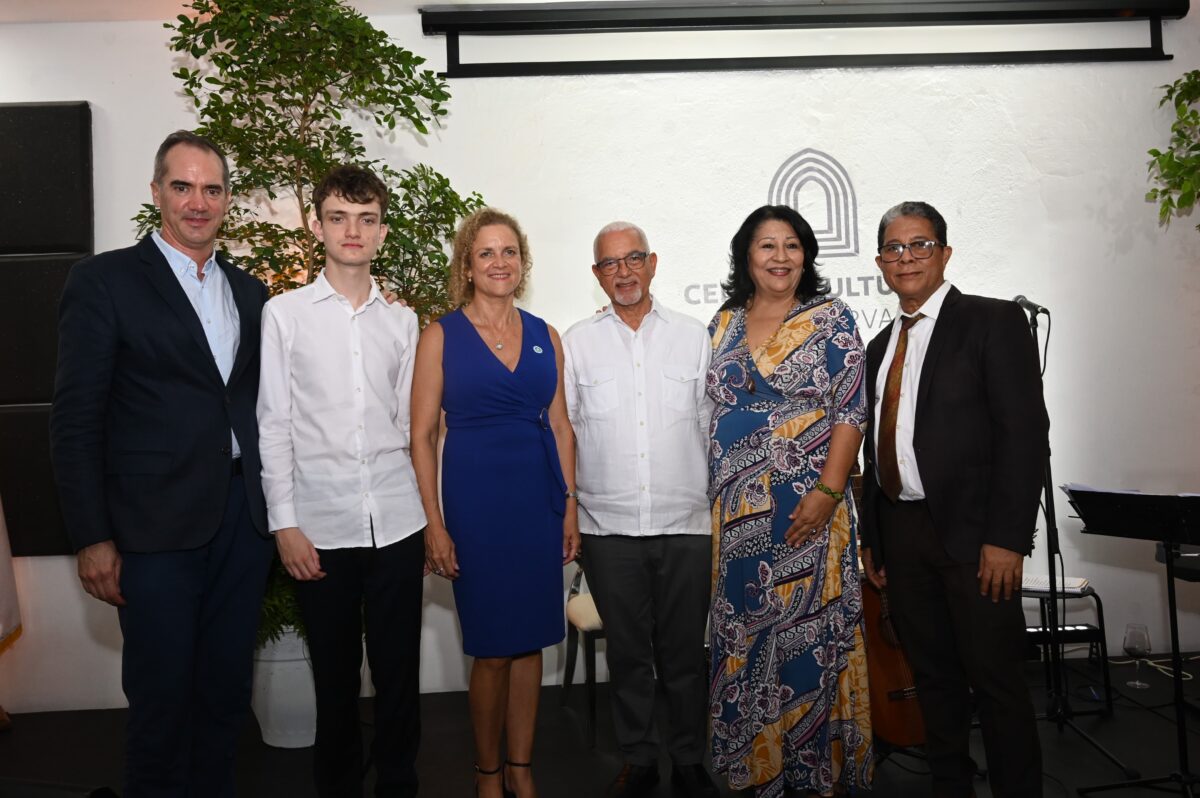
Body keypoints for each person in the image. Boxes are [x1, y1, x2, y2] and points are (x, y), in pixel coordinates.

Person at [49, 130, 273, 797]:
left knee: (226, 695)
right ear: (156, 193)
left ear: (229, 199)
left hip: (241, 523)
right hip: (150, 531)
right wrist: (91, 535)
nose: (196, 202)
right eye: (182, 186)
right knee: (161, 700)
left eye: (211, 188)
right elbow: (74, 418)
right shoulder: (103, 281)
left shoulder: (252, 292)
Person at [858, 201, 1047, 798]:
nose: (905, 257)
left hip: (976, 539)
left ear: (944, 252)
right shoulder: (878, 345)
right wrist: (874, 539)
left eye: (918, 245)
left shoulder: (992, 322)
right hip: (903, 535)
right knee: (933, 682)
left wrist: (1008, 539)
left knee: (996, 685)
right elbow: (873, 449)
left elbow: (1024, 436)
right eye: (893, 248)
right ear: (880, 263)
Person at [257, 165, 426, 797]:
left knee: (399, 676)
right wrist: (285, 525)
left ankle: (399, 785)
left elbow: (415, 431)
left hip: (398, 522)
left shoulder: (402, 323)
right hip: (319, 527)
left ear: (382, 231)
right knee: (333, 680)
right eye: (338, 217)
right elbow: (272, 424)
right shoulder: (285, 315)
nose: (352, 231)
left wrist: (431, 520)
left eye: (366, 219)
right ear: (317, 225)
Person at [411, 207, 580, 798]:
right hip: (474, 507)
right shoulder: (440, 335)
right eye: (486, 253)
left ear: (522, 261)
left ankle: (522, 767)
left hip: (536, 501)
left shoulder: (544, 335)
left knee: (531, 640)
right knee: (489, 648)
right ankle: (487, 772)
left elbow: (561, 428)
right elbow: (421, 436)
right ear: (467, 265)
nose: (499, 262)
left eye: (509, 251)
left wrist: (569, 507)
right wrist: (435, 523)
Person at [707, 205, 873, 798]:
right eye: (766, 246)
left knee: (806, 635)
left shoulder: (831, 320)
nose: (780, 257)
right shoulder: (724, 322)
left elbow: (851, 412)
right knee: (747, 639)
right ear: (745, 256)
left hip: (807, 514)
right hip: (737, 523)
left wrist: (828, 494)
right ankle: (757, 770)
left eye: (792, 246)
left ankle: (812, 776)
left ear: (807, 255)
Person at [562, 222, 718, 798]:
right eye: (610, 264)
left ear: (653, 264)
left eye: (633, 260)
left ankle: (690, 758)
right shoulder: (576, 342)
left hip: (687, 525)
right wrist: (570, 512)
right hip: (608, 528)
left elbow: (709, 428)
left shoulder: (693, 337)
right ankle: (640, 758)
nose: (623, 272)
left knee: (684, 656)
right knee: (628, 657)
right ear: (597, 274)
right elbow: (567, 434)